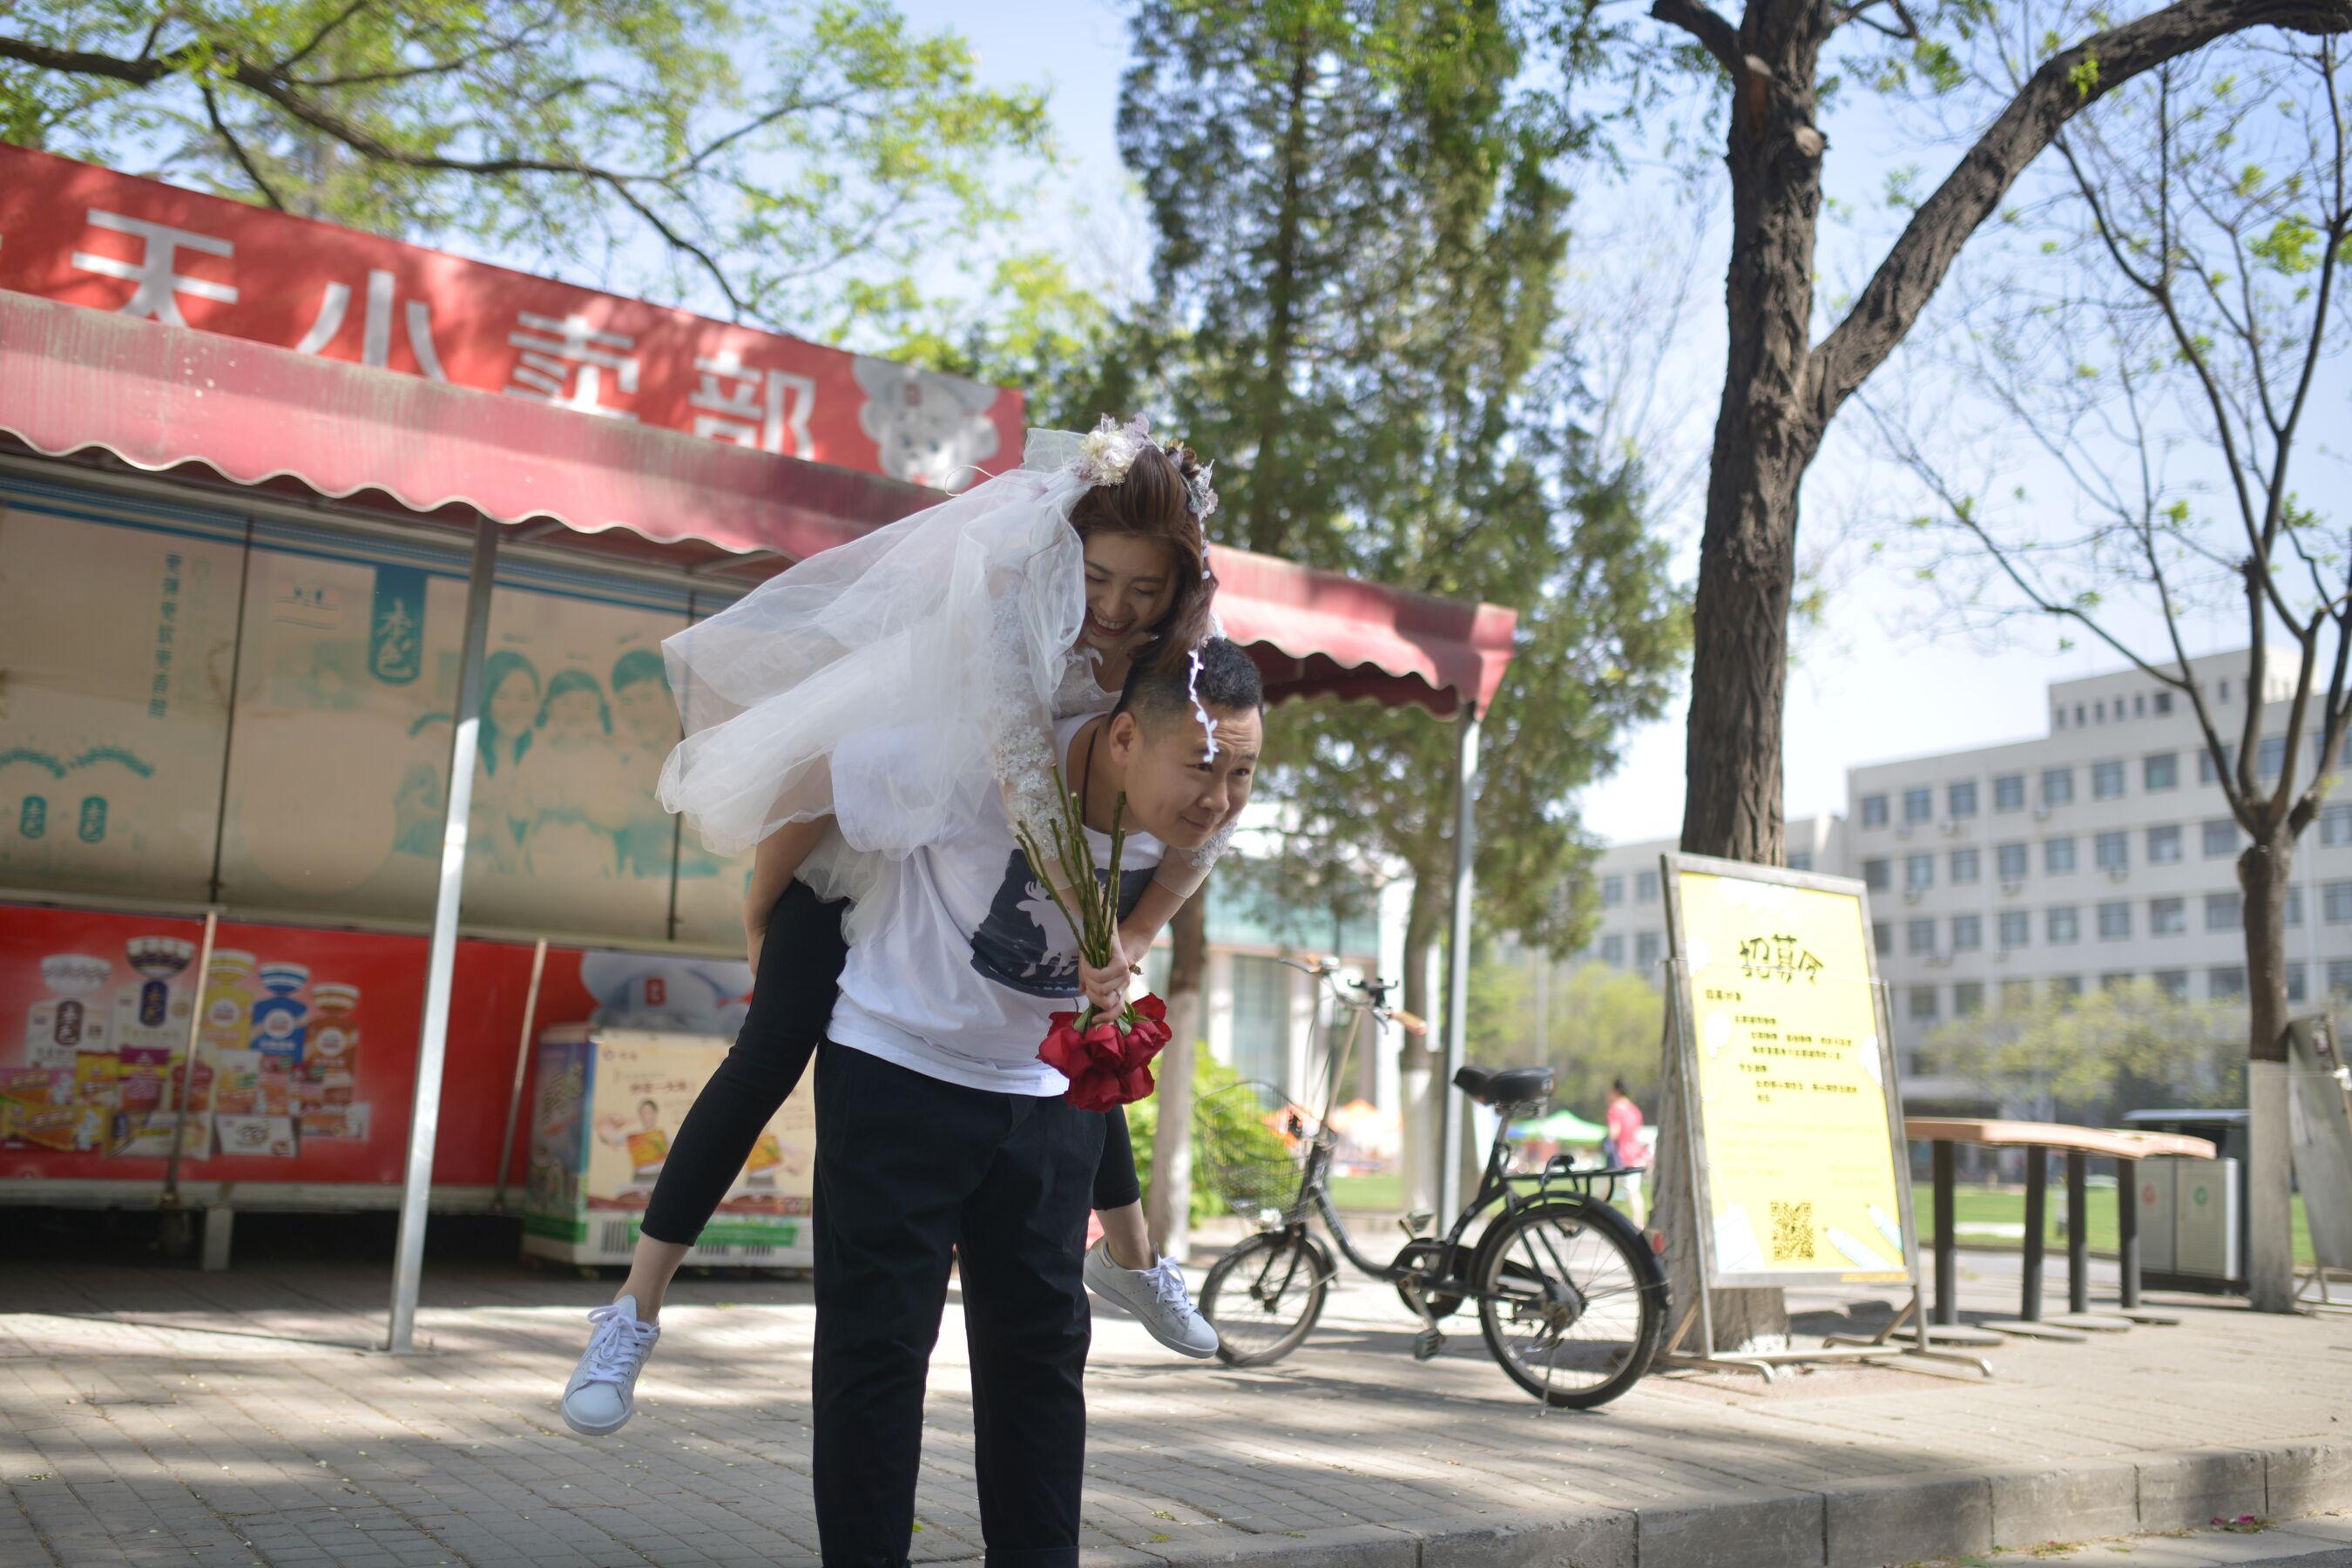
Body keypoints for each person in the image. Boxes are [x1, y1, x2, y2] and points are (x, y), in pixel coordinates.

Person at [559, 420, 1228, 1441]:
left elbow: (1209, 818)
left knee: (1080, 1035)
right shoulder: (1009, 609)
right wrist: (761, 903)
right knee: (771, 1049)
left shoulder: (1180, 663)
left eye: (1145, 589)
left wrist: (1127, 942)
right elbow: (955, 784)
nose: (1116, 607)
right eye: (1098, 578)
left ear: (1179, 587)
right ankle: (632, 1308)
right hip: (865, 833)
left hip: (989, 869)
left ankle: (1131, 1260)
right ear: (1064, 554)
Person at [813, 639, 1263, 1565]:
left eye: (1243, 773)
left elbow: (1195, 854)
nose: (1220, 799)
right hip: (899, 1066)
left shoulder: (1196, 810)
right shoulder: (989, 761)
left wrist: (1135, 940)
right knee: (878, 1357)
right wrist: (760, 914)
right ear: (1126, 738)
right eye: (1204, 768)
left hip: (1045, 1090)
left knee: (1042, 1361)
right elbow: (818, 781)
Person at [1605, 1078, 1650, 1226]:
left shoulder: (1615, 1109)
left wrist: (1606, 1141)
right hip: (1636, 1155)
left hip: (1621, 1156)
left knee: (1606, 1191)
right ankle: (1639, 1224)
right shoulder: (1634, 1110)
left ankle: (1586, 1218)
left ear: (1615, 1091)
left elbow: (1614, 1132)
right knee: (1633, 1192)